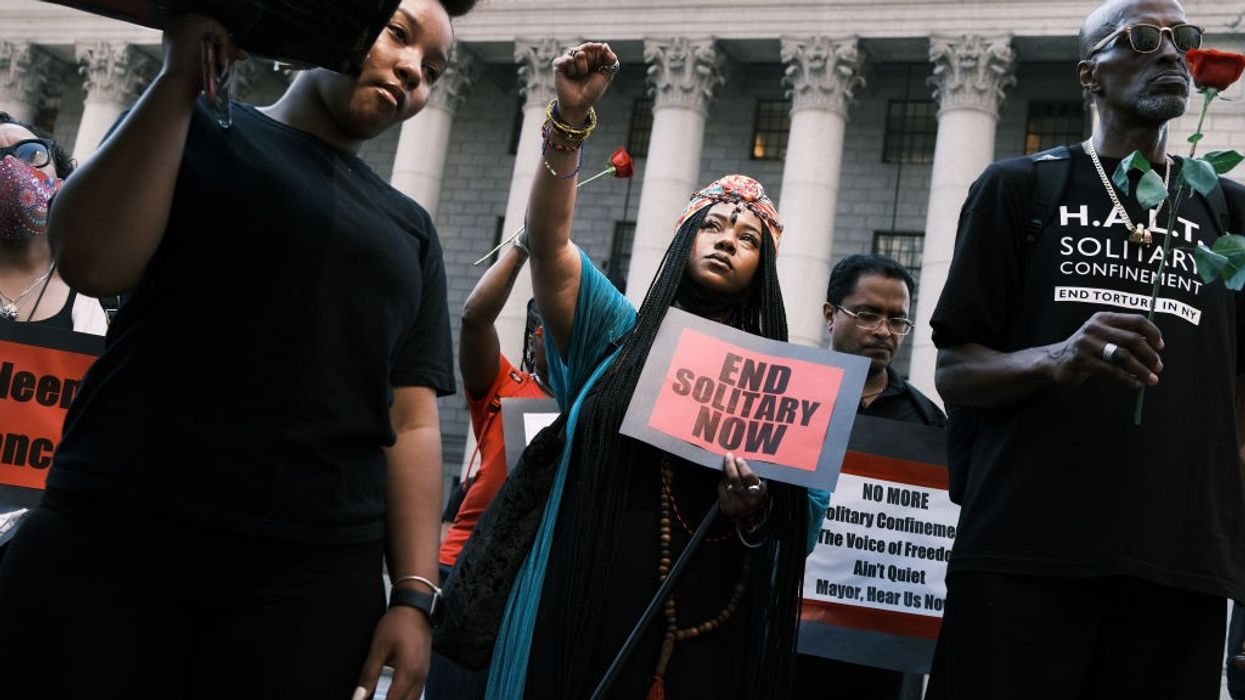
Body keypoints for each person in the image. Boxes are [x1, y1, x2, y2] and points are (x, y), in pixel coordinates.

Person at [0, 1, 473, 698]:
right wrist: (175, 80)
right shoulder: (194, 129)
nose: (411, 71)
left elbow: (411, 423)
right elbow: (93, 262)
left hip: (308, 582)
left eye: (433, 71)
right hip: (119, 534)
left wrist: (412, 596)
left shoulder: (411, 231)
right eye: (397, 34)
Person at [483, 42, 828, 700]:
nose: (727, 237)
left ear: (764, 268)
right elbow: (550, 245)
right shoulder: (613, 334)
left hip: (710, 626)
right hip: (583, 607)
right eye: (713, 226)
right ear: (682, 241)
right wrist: (567, 122)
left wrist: (755, 509)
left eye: (747, 236)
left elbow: (801, 518)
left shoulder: (785, 388)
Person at [925, 1, 1245, 697]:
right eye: (1140, 39)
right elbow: (954, 369)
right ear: (1088, 75)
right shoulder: (1018, 190)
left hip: (1177, 564)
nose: (1169, 54)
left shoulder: (1225, 209)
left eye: (1180, 41)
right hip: (1024, 554)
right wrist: (1057, 357)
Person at [792, 253, 945, 699]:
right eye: (867, 314)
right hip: (784, 632)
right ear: (829, 314)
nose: (883, 331)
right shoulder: (788, 395)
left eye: (897, 320)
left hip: (877, 649)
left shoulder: (928, 424)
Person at [426, 244, 552, 700]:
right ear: (532, 336)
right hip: (465, 569)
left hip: (533, 581)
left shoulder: (592, 406)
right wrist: (522, 247)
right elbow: (475, 319)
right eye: (546, 327)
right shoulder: (505, 385)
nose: (555, 336)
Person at [0, 113, 109, 563]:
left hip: (51, 545)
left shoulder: (111, 294)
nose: (11, 170)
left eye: (28, 154)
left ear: (58, 170)